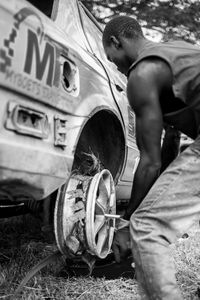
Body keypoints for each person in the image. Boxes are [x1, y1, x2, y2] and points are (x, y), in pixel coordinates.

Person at [102, 15, 200, 299]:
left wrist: (127, 220)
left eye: (112, 59)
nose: (116, 67)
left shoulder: (142, 74)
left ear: (115, 42)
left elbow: (150, 161)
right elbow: (171, 139)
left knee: (146, 227)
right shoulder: (177, 51)